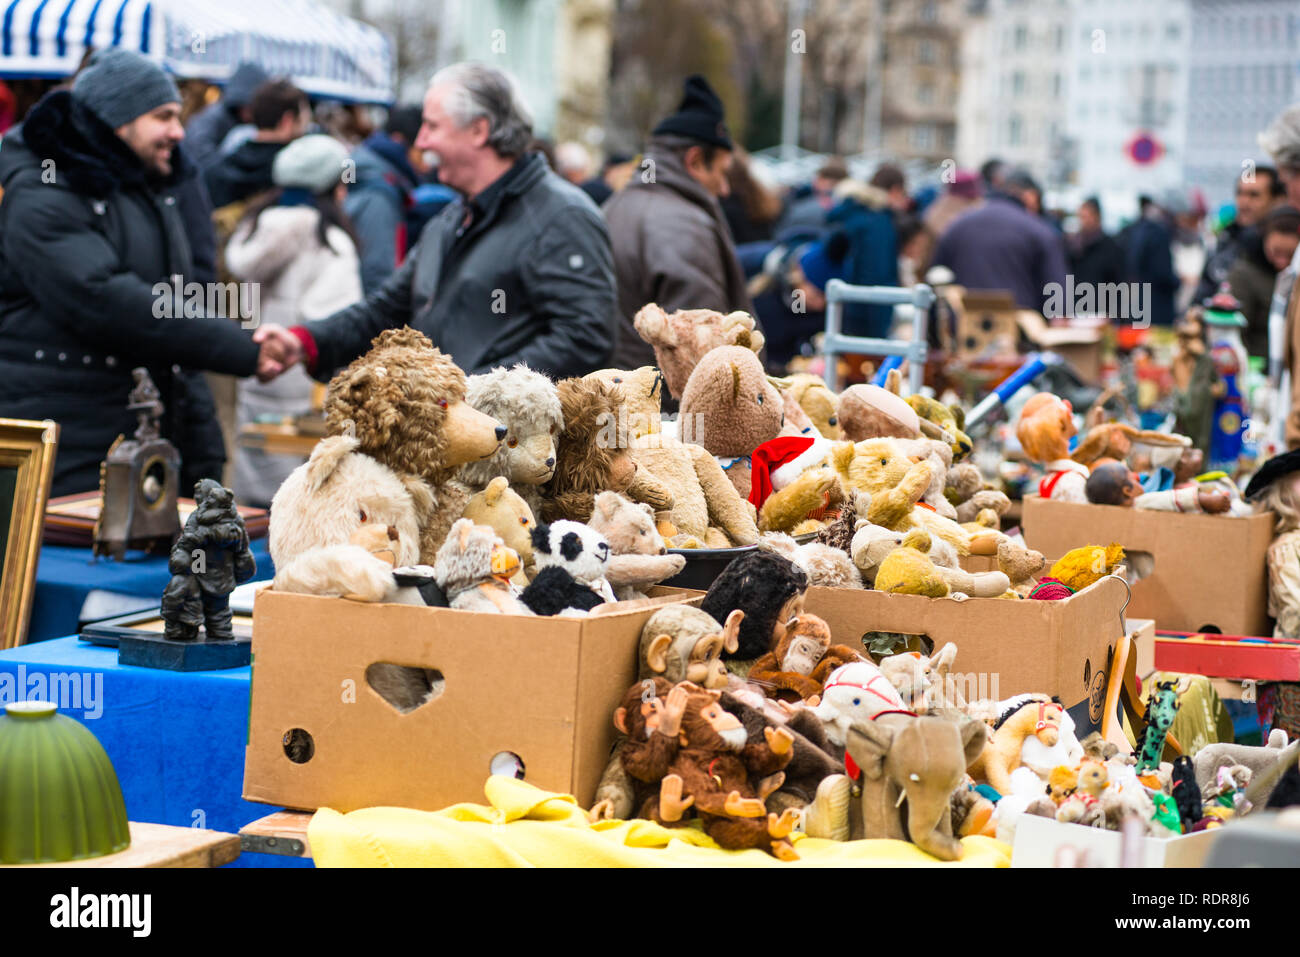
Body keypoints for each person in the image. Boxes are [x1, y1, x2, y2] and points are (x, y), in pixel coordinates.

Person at [0, 49, 274, 497]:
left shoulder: (148, 187)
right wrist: (239, 347)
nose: (178, 132)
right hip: (69, 452)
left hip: (135, 442)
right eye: (163, 116)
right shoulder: (41, 190)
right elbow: (103, 298)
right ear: (116, 118)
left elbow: (180, 300)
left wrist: (202, 440)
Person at [252, 63, 615, 382]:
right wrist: (304, 341)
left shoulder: (562, 216)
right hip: (449, 446)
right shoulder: (452, 219)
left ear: (478, 130)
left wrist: (470, 395)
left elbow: (584, 339)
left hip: (514, 452)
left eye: (431, 126)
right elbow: (386, 310)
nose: (421, 141)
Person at [225, 135, 364, 506]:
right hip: (306, 388)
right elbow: (338, 321)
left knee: (253, 499)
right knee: (299, 504)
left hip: (257, 375)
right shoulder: (331, 242)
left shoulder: (253, 229)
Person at [603, 74, 752, 371]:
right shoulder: (685, 226)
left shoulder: (611, 206)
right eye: (722, 172)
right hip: (664, 409)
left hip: (614, 397)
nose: (724, 188)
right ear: (695, 161)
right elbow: (704, 353)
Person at [931, 171, 1067, 314]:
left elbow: (935, 278)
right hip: (1021, 328)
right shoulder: (1039, 230)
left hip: (963, 326)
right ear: (1030, 197)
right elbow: (1059, 299)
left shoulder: (957, 225)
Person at [344, 103, 445, 294]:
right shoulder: (380, 193)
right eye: (422, 153)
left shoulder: (366, 173)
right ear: (399, 141)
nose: (426, 165)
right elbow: (378, 269)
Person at [203, 79, 310, 209]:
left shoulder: (215, 167)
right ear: (287, 121)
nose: (306, 129)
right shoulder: (294, 179)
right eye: (304, 122)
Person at [1195, 166, 1285, 303]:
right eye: (1240, 193)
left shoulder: (1280, 246)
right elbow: (1206, 285)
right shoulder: (1226, 236)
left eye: (1254, 195)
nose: (1244, 202)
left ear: (1277, 200)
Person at [184, 62, 269, 168]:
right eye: (249, 107)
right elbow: (199, 155)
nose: (251, 114)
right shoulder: (211, 120)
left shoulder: (242, 121)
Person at [1124, 193, 1182, 327]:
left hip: (1139, 305)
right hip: (1157, 308)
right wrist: (1177, 282)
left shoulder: (1136, 230)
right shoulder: (1159, 232)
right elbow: (1162, 273)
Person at [1068, 197, 1125, 290]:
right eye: (1081, 217)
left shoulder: (1111, 247)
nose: (1082, 222)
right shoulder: (1076, 246)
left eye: (1086, 217)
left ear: (1097, 216)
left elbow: (1118, 282)